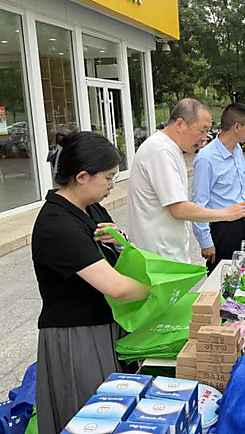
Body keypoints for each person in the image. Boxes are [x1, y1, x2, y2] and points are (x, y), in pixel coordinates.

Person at [33, 132, 150, 432]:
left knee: (113, 412)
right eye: (108, 177)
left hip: (104, 325)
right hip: (77, 336)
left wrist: (123, 243)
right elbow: (116, 287)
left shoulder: (91, 207)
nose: (112, 184)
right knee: (90, 416)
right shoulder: (56, 225)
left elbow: (122, 254)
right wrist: (159, 291)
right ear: (82, 177)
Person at [127, 98, 245, 263]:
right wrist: (226, 214)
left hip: (167, 254)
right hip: (158, 258)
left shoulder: (171, 150)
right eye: (202, 130)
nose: (204, 138)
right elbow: (179, 209)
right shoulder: (161, 151)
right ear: (180, 124)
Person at [192, 103, 245, 274]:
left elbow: (241, 183)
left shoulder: (237, 150)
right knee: (224, 279)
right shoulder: (206, 158)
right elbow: (199, 203)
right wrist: (206, 241)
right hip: (223, 229)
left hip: (243, 224)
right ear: (237, 127)